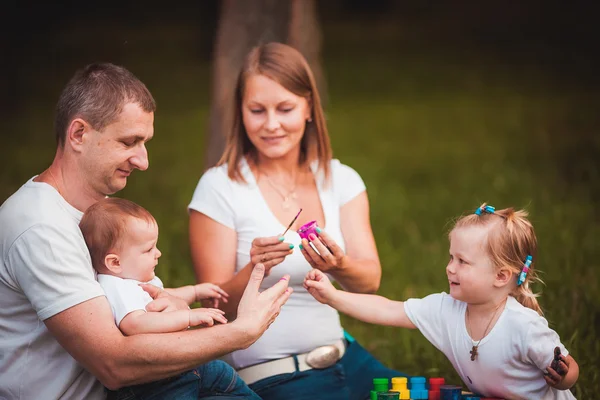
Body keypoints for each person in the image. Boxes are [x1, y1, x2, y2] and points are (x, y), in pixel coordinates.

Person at [0, 63, 292, 400]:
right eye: (129, 142)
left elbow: (130, 312)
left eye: (145, 143)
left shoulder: (101, 214)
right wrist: (241, 333)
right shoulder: (40, 227)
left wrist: (170, 303)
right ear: (79, 134)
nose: (143, 161)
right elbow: (114, 364)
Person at [188, 42, 405, 400]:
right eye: (257, 110)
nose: (271, 124)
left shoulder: (341, 179)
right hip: (275, 376)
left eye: (285, 108)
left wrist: (341, 264)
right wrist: (254, 269)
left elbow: (369, 282)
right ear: (240, 113)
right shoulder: (219, 187)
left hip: (348, 359)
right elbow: (214, 309)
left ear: (308, 107)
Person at [304, 203, 579, 399]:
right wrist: (332, 296)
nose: (450, 268)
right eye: (451, 257)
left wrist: (563, 375)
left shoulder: (523, 325)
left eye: (463, 261)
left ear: (501, 276)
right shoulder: (446, 309)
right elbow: (389, 309)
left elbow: (571, 369)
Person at [79, 197, 264, 399]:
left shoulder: (133, 280)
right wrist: (188, 318)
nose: (158, 253)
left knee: (227, 378)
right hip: (155, 383)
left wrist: (195, 291)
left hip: (182, 367)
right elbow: (136, 323)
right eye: (148, 249)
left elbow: (165, 295)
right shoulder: (117, 286)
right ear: (115, 262)